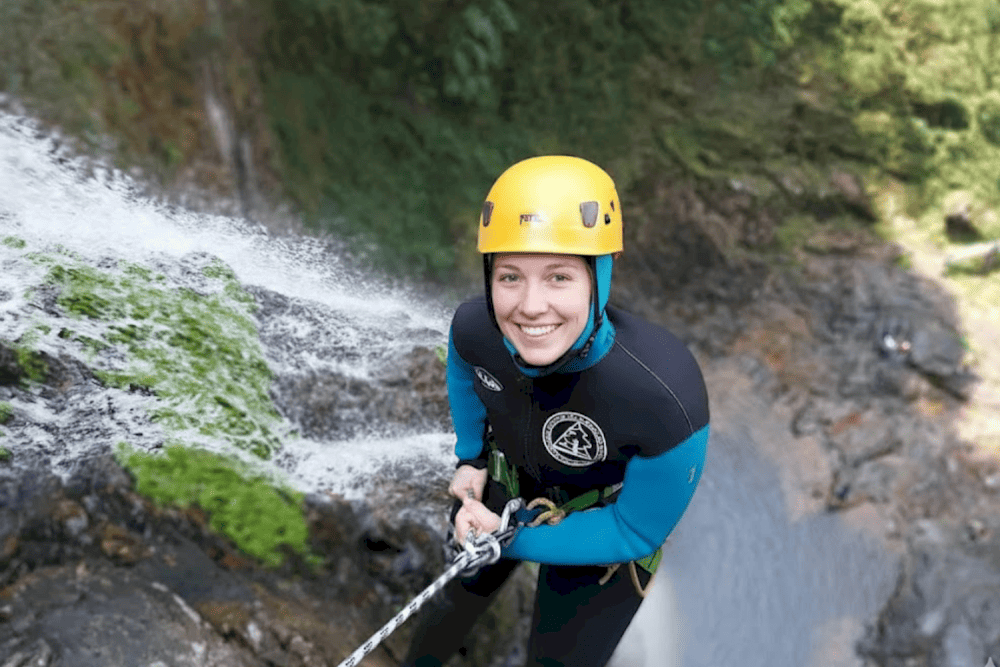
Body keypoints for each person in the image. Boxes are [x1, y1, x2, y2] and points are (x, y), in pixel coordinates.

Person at [402, 155, 710, 667]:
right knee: (448, 604)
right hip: (500, 487)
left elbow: (635, 531)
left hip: (603, 529)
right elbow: (463, 371)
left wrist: (510, 539)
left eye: (559, 277)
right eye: (509, 277)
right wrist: (471, 459)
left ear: (599, 278)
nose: (530, 306)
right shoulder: (476, 328)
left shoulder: (664, 397)